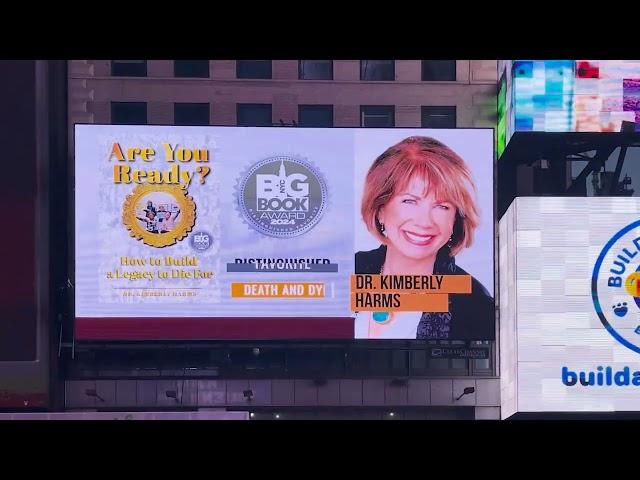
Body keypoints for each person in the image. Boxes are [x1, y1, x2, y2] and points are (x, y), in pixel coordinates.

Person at [355, 136, 493, 340]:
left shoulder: (475, 305)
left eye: (442, 206)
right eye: (410, 201)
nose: (424, 221)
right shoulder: (346, 272)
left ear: (456, 218)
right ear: (380, 208)